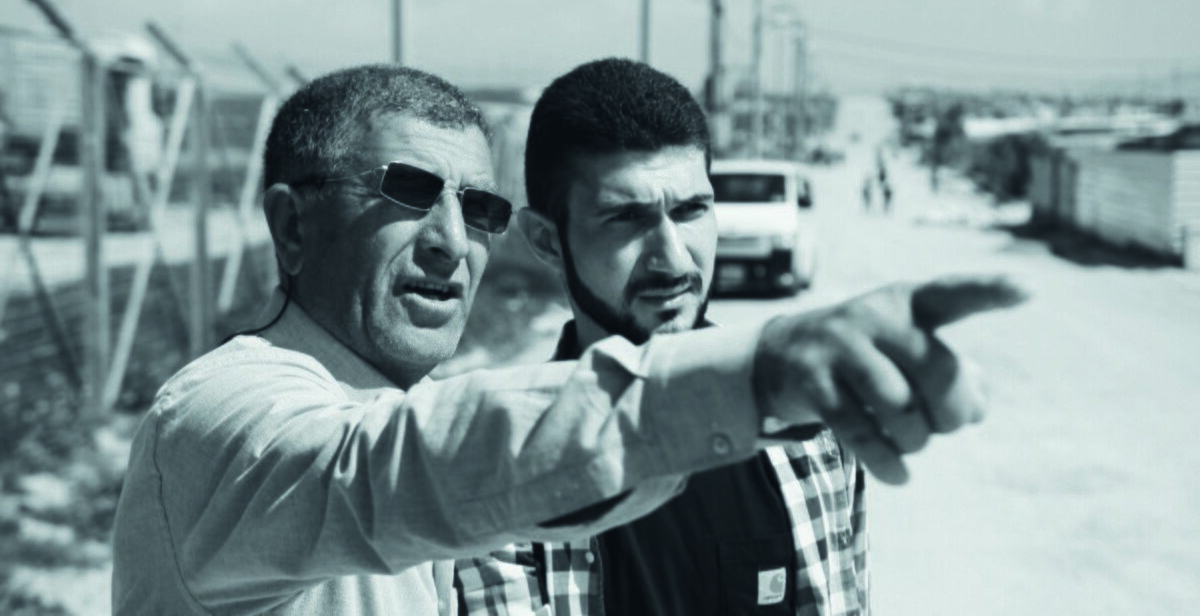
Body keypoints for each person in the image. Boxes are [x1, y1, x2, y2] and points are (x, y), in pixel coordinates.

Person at [111, 63, 1025, 615]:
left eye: (478, 207)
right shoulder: (223, 414)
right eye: (406, 192)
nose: (451, 242)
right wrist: (756, 373)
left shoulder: (424, 435)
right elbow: (391, 469)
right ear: (292, 225)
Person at [454, 58, 1013, 615]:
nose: (674, 257)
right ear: (546, 241)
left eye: (692, 210)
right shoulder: (496, 479)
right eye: (625, 219)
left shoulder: (808, 437)